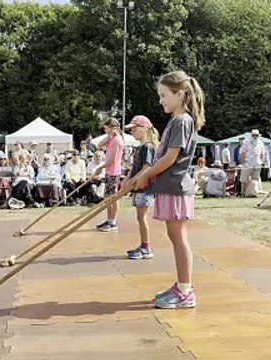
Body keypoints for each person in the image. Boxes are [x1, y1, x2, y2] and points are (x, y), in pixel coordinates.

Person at [132, 70, 204, 309]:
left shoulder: (183, 121)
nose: (160, 100)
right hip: (169, 187)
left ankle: (185, 291)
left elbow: (170, 158)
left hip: (175, 188)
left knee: (179, 238)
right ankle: (182, 285)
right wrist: (140, 176)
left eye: (163, 95)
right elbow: (162, 157)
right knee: (175, 237)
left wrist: (146, 175)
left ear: (180, 94)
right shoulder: (176, 120)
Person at [124, 115, 158, 260]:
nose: (132, 132)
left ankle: (146, 247)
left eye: (134, 129)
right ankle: (144, 245)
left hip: (145, 188)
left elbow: (147, 168)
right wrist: (127, 180)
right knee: (140, 217)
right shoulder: (140, 148)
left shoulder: (148, 147)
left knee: (142, 217)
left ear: (144, 129)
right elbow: (134, 168)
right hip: (138, 187)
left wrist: (132, 180)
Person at [94, 118, 125, 232]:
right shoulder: (112, 139)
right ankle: (109, 219)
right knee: (107, 197)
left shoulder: (118, 140)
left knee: (113, 197)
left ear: (112, 127)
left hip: (114, 172)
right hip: (108, 172)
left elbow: (112, 160)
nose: (105, 130)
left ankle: (113, 221)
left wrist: (100, 168)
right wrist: (108, 137)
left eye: (106, 128)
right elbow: (99, 145)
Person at [239, 129, 266, 197]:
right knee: (243, 179)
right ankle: (242, 192)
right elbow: (242, 153)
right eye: (253, 135)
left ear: (258, 135)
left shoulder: (261, 143)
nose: (255, 137)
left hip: (257, 165)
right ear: (251, 135)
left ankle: (254, 192)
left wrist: (261, 162)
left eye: (256, 135)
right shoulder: (246, 142)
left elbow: (263, 154)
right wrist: (243, 164)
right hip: (247, 164)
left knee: (256, 180)